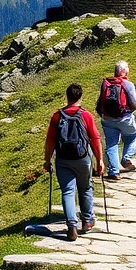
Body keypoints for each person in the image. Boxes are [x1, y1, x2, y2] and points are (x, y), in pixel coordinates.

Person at [43, 83, 105, 241]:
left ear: (67, 96)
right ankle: (87, 222)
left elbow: (50, 140)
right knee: (85, 188)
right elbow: (95, 139)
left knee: (67, 191)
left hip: (63, 159)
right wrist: (99, 160)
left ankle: (71, 225)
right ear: (80, 96)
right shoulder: (86, 115)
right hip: (82, 158)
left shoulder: (57, 116)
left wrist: (47, 160)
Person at [96, 61, 136, 181]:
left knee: (111, 143)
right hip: (124, 118)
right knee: (135, 134)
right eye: (127, 69)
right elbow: (134, 103)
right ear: (124, 72)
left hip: (107, 119)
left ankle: (113, 172)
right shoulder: (128, 84)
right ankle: (126, 158)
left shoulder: (105, 83)